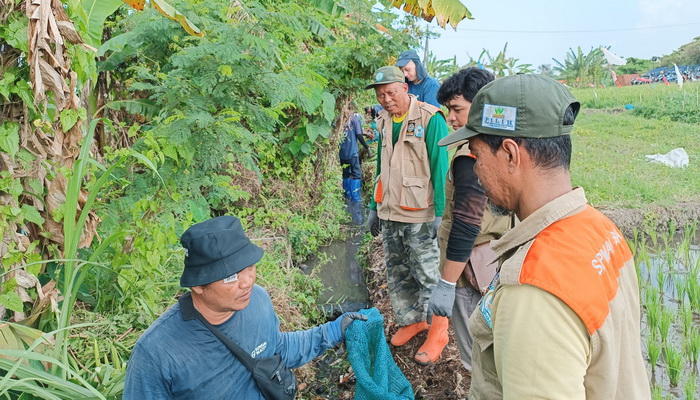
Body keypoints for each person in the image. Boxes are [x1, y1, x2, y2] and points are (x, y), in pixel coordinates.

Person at [439, 74, 650, 399]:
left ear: (510, 154)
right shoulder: (601, 229)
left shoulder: (533, 291)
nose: (476, 170)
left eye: (477, 155)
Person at [123, 215, 367, 399]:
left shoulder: (257, 300)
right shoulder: (156, 353)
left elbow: (276, 348)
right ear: (198, 285)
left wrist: (335, 330)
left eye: (249, 266)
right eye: (230, 277)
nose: (247, 281)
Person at [426, 67, 512, 374]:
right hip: (497, 260)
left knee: (476, 357)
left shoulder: (469, 155)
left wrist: (447, 283)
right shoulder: (503, 145)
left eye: (456, 109)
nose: (450, 117)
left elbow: (466, 221)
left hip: (470, 269)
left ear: (481, 105)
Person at [365, 66, 449, 364]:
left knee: (427, 273)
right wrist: (375, 208)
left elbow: (441, 166)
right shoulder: (384, 121)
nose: (386, 99)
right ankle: (415, 320)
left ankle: (439, 330)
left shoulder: (430, 118)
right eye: (380, 95)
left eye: (390, 92)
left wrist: (440, 212)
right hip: (391, 211)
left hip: (420, 211)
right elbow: (380, 166)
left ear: (405, 87)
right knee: (398, 270)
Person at [339, 107, 371, 225]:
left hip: (342, 152)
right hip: (352, 152)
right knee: (356, 174)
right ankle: (356, 198)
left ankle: (347, 196)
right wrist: (367, 147)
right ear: (352, 109)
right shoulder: (354, 119)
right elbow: (358, 134)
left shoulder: (339, 119)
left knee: (346, 173)